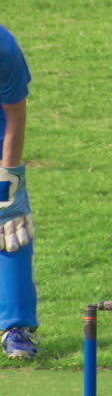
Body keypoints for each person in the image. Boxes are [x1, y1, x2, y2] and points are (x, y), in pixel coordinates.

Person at [0, 24, 39, 359]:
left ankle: (16, 328)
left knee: (10, 225)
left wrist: (8, 182)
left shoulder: (4, 49)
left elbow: (15, 116)